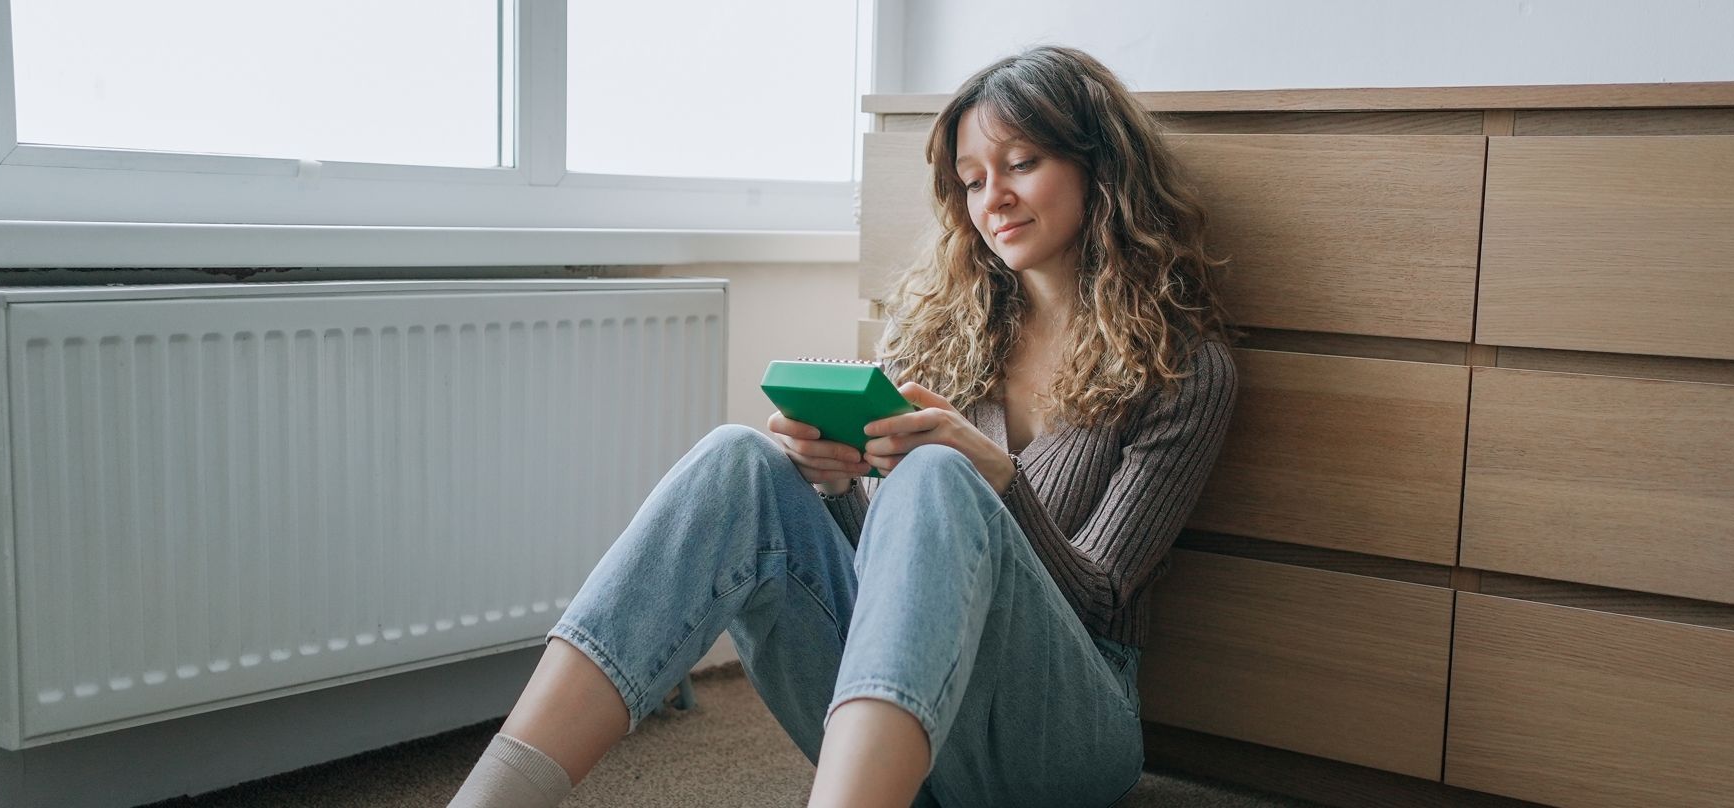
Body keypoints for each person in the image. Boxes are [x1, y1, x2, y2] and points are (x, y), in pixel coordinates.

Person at [450, 44, 1238, 808]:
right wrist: (830, 485)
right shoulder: (938, 330)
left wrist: (996, 480)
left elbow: (1100, 600)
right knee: (739, 459)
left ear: (1099, 164)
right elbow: (897, 570)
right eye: (971, 179)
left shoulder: (1183, 369)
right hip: (906, 711)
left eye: (1022, 164)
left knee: (938, 473)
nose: (991, 197)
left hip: (1062, 734)